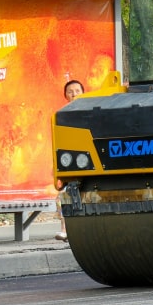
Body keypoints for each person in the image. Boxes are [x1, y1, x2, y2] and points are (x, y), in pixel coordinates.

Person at [56, 78, 85, 241]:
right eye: (70, 91)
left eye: (77, 91)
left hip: (86, 162)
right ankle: (64, 229)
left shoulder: (90, 112)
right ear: (65, 95)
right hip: (70, 162)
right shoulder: (61, 115)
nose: (74, 94)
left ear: (83, 92)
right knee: (63, 196)